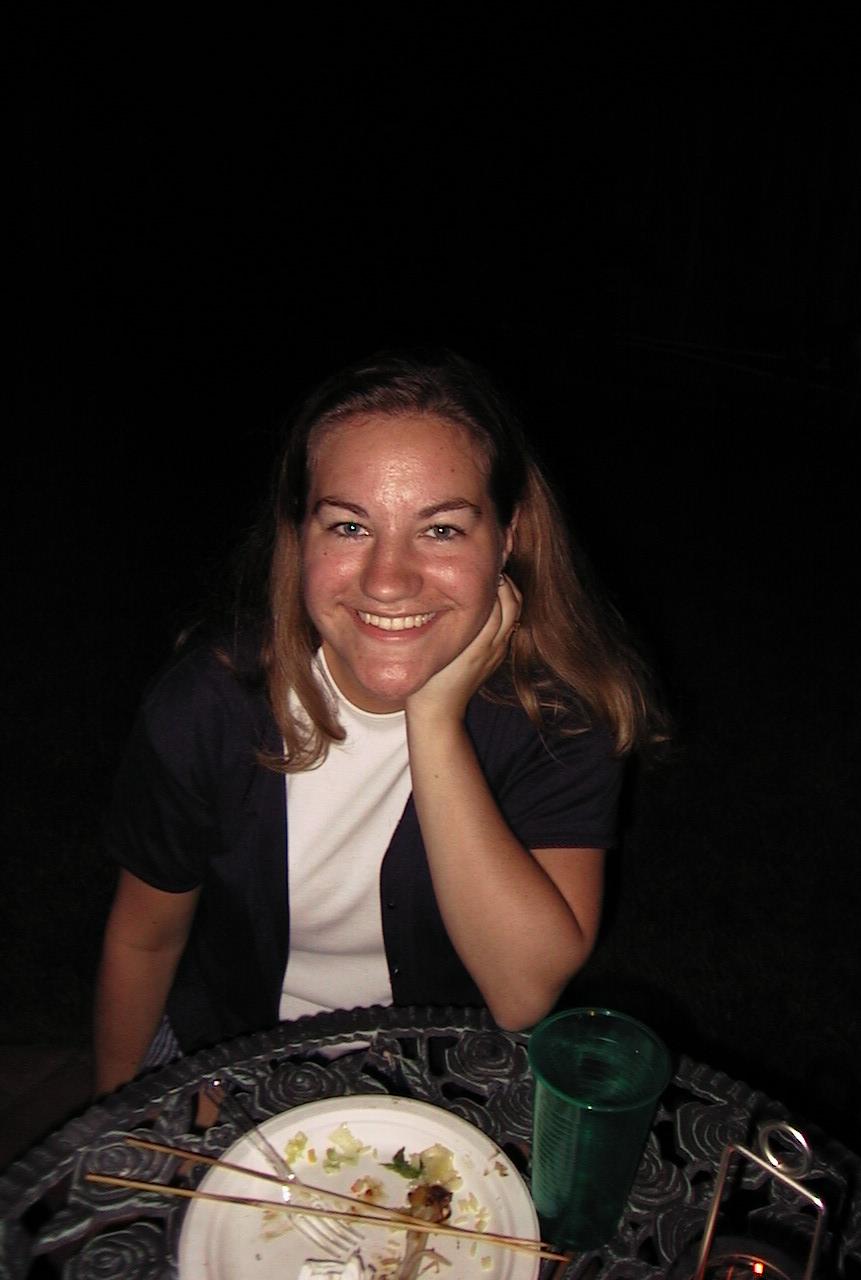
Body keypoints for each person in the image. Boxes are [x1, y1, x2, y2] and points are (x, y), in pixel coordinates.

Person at [94, 349, 663, 1096]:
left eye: (442, 529)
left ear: (508, 536)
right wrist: (120, 1122)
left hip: (449, 1077)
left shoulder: (557, 719)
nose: (388, 580)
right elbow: (145, 939)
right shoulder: (211, 706)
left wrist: (434, 717)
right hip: (229, 1060)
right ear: (299, 536)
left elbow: (522, 991)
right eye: (349, 526)